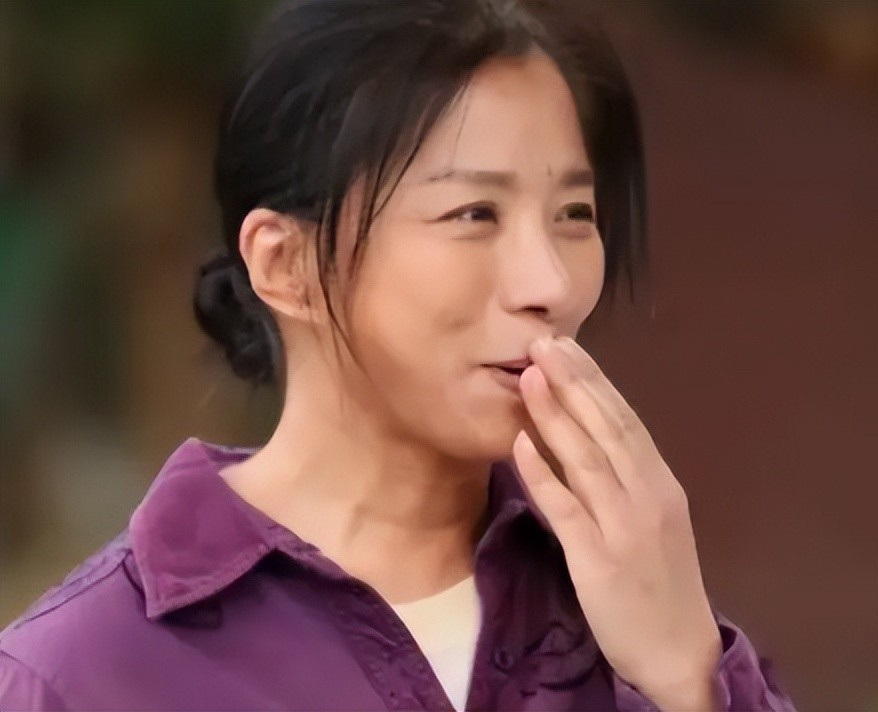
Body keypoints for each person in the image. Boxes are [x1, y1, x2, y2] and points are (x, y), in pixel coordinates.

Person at [0, 0, 796, 709]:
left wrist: (687, 676)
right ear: (285, 263)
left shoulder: (634, 612)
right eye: (475, 213)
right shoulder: (81, 675)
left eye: (575, 213)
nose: (551, 284)